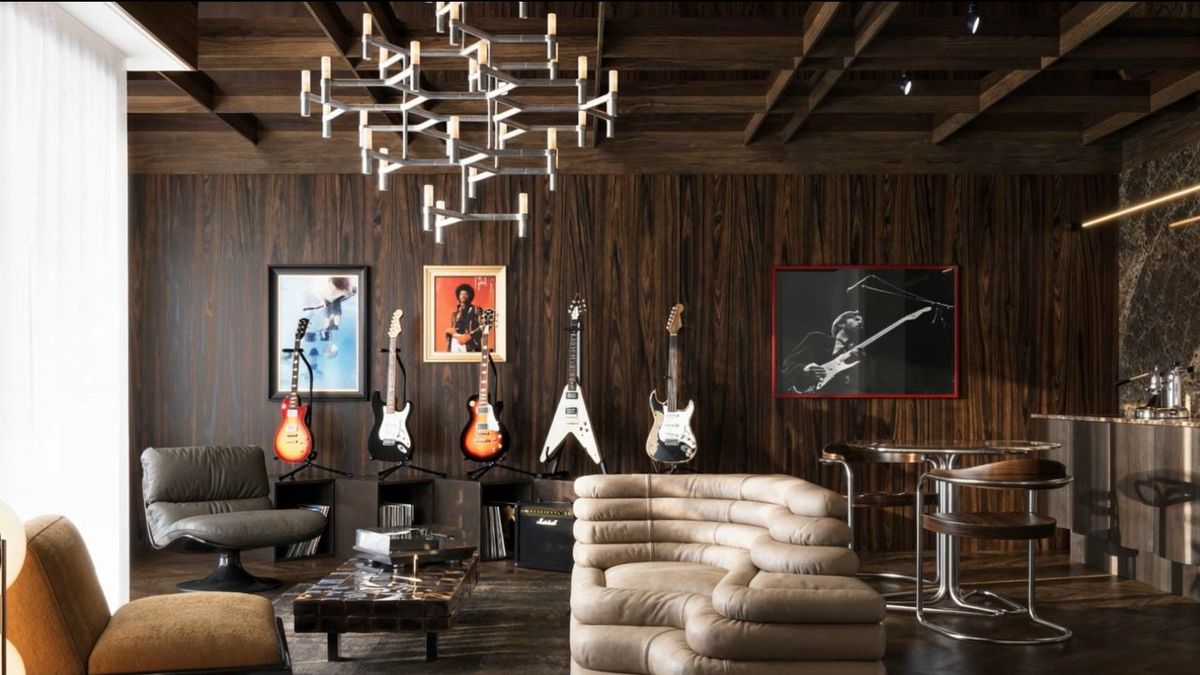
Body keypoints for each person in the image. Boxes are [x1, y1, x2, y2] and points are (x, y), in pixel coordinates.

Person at [781, 310, 864, 394]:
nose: (861, 322)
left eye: (862, 322)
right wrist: (804, 369)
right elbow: (787, 363)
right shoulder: (818, 338)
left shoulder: (853, 356)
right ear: (841, 323)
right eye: (856, 319)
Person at [445, 283, 482, 352]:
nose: (463, 296)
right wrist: (448, 332)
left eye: (466, 294)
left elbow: (484, 327)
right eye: (461, 294)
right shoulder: (455, 314)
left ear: (470, 296)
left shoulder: (477, 310)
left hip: (470, 344)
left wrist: (469, 336)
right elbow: (452, 330)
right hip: (455, 342)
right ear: (458, 296)